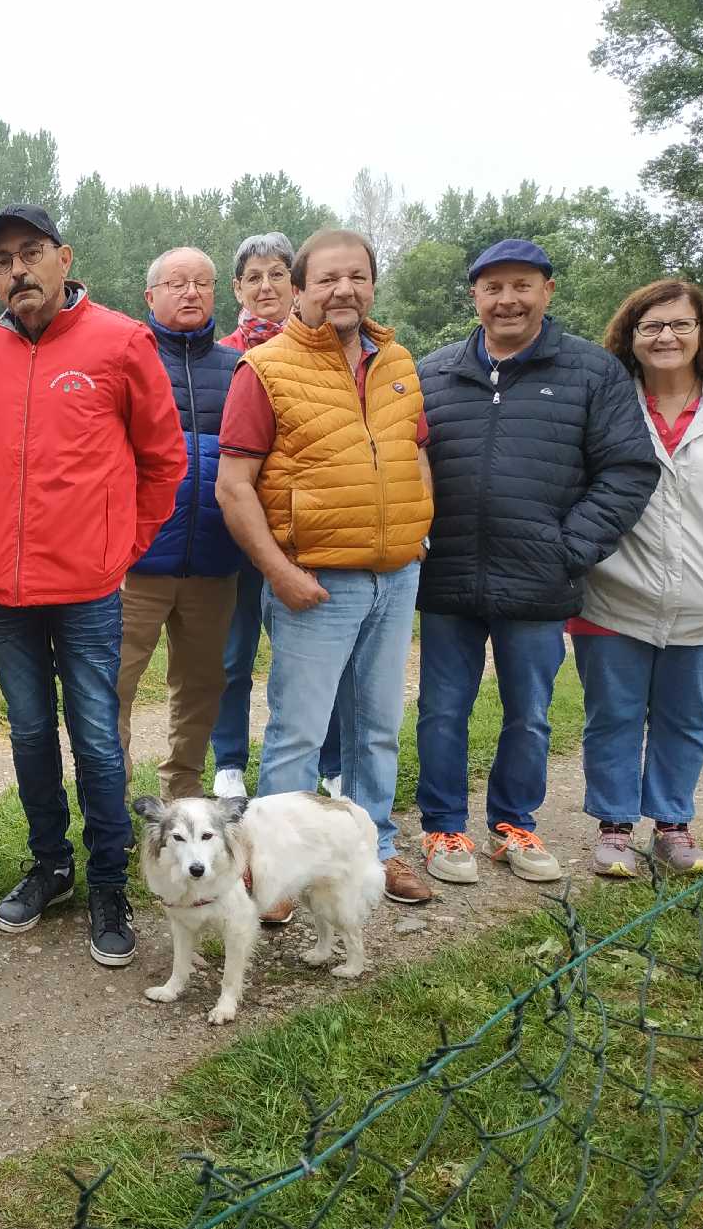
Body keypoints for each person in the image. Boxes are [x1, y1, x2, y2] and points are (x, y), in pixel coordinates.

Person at [0, 204, 186, 965]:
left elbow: (163, 459)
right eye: (2, 261)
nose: (17, 270)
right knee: (28, 733)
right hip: (1, 589)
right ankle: (51, 864)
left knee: (94, 738)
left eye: (31, 253)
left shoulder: (121, 341)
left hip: (87, 588)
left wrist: (122, 545)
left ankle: (109, 880)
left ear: (64, 257)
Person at [414, 240, 658, 885]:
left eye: (522, 286)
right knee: (441, 709)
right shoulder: (432, 373)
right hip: (447, 578)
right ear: (475, 296)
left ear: (547, 291)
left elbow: (628, 471)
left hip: (539, 581)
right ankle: (442, 828)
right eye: (493, 288)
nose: (508, 301)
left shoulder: (591, 372)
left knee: (529, 714)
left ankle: (513, 823)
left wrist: (568, 549)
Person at [216, 228, 436, 905]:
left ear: (372, 283)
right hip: (314, 582)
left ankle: (375, 852)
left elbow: (413, 452)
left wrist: (418, 534)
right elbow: (233, 486)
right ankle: (277, 870)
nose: (344, 290)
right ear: (300, 289)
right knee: (298, 733)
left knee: (376, 730)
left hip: (394, 578)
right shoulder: (264, 368)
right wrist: (279, 572)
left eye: (357, 277)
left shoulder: (397, 360)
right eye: (327, 279)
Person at [572, 278, 703, 877]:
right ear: (630, 336)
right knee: (612, 716)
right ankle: (613, 826)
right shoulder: (606, 402)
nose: (666, 337)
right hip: (614, 593)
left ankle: (671, 825)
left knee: (686, 720)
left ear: (702, 331)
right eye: (652, 326)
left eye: (681, 324)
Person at [210, 232, 344, 801]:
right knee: (232, 654)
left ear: (296, 284)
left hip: (306, 533)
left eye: (277, 274)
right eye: (253, 277)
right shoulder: (221, 357)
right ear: (237, 288)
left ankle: (332, 763)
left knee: (316, 659)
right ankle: (229, 762)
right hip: (237, 534)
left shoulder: (327, 351)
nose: (265, 286)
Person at [115, 248, 242, 799]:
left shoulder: (238, 369)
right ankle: (111, 795)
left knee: (202, 685)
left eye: (202, 283)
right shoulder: (128, 360)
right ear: (151, 296)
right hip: (135, 563)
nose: (191, 292)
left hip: (213, 562)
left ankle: (183, 791)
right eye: (177, 283)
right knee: (114, 684)